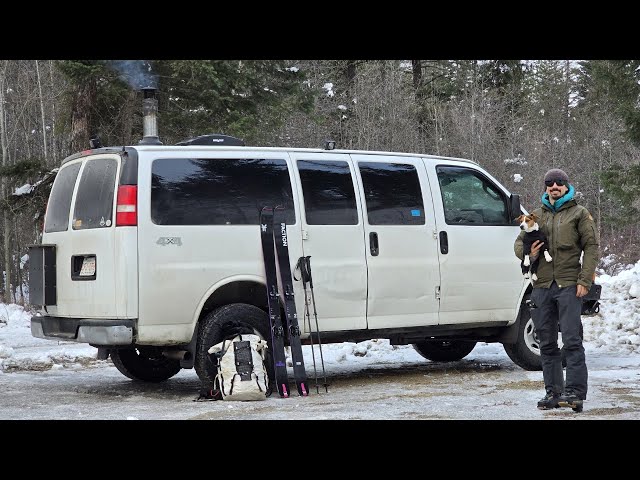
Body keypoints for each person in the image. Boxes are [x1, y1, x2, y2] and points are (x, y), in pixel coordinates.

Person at [514, 168, 599, 412]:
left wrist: (585, 280)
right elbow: (519, 243)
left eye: (559, 183)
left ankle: (574, 393)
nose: (554, 186)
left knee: (572, 340)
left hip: (569, 285)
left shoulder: (579, 214)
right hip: (541, 287)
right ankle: (553, 392)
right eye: (550, 183)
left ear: (566, 186)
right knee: (547, 344)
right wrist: (528, 253)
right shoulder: (536, 215)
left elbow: (591, 247)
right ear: (545, 187)